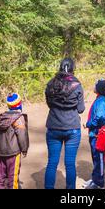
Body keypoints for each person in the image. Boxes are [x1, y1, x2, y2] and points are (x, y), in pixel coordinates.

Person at [44, 58, 85, 190]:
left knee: (52, 163)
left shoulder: (51, 84)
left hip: (54, 126)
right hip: (72, 127)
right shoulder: (77, 85)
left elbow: (50, 104)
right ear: (73, 68)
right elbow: (81, 109)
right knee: (70, 164)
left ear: (60, 67)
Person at [0, 93, 29, 190]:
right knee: (13, 175)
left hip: (2, 151)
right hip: (14, 152)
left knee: (1, 173)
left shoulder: (2, 117)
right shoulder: (18, 118)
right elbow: (22, 135)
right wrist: (24, 149)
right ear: (19, 104)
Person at [84, 79, 105, 189]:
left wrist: (89, 124)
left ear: (100, 89)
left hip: (98, 135)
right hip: (94, 135)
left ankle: (99, 183)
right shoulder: (99, 99)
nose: (94, 86)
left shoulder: (102, 101)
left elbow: (101, 117)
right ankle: (95, 179)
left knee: (99, 159)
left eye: (96, 85)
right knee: (95, 158)